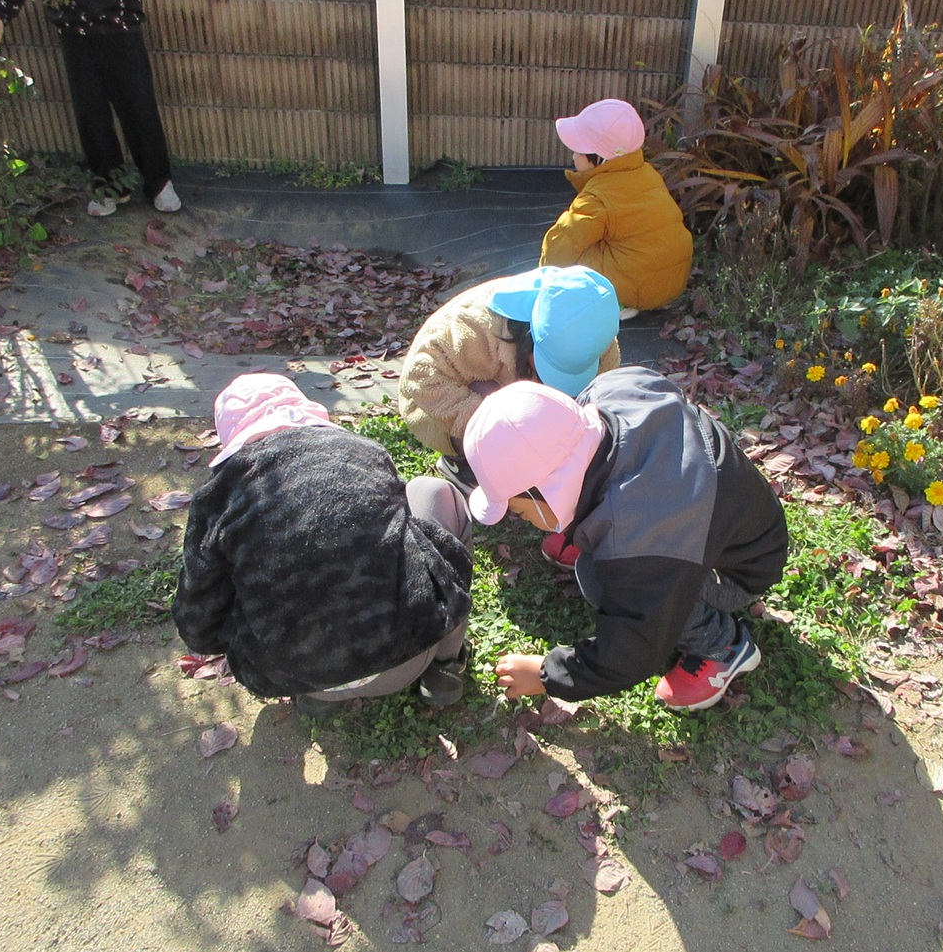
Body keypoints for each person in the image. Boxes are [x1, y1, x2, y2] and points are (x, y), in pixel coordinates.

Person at [462, 367, 790, 711]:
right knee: (610, 562)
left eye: (518, 510)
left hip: (737, 569)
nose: (523, 520)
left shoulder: (641, 541)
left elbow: (633, 648)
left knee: (597, 576)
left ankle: (721, 645)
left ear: (544, 491)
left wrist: (547, 674)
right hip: (736, 523)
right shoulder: (611, 391)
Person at [171, 374, 473, 711]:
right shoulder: (365, 452)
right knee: (432, 491)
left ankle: (320, 695)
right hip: (406, 658)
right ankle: (446, 666)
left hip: (284, 675)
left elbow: (198, 628)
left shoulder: (217, 498)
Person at [398, 264, 621, 567]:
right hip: (449, 402)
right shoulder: (474, 327)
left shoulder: (598, 337)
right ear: (527, 336)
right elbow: (420, 377)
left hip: (529, 408)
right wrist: (495, 430)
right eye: (547, 368)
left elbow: (602, 401)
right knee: (499, 424)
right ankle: (465, 463)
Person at [0, 0, 181, 217]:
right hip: (74, 31)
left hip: (122, 26)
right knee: (90, 113)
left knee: (139, 107)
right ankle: (108, 184)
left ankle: (159, 181)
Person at [539, 98, 693, 320]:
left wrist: (545, 278)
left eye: (578, 150)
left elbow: (562, 242)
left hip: (639, 285)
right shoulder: (646, 173)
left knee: (577, 252)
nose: (572, 155)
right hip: (674, 278)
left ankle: (617, 303)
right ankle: (640, 297)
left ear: (599, 159)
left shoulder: (597, 197)